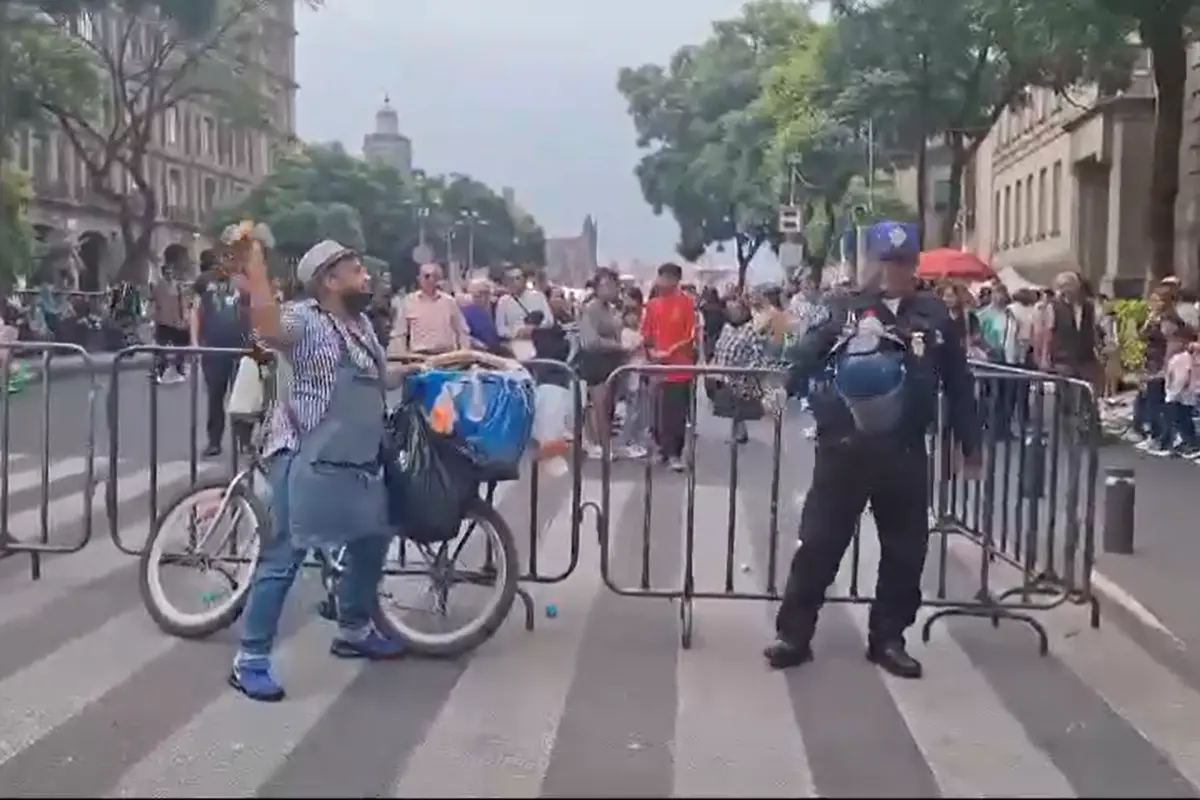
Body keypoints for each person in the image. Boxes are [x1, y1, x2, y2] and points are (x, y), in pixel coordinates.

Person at [764, 220, 981, 679]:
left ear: (914, 264)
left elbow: (959, 382)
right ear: (871, 262)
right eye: (885, 260)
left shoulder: (934, 314)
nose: (892, 271)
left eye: (901, 262)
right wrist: (783, 389)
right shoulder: (844, 308)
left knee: (905, 550)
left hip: (902, 449)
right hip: (845, 445)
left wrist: (970, 442)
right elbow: (808, 353)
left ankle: (888, 637)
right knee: (820, 542)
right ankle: (794, 634)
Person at [229, 235, 405, 702]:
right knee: (285, 552)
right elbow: (265, 328)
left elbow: (379, 376)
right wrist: (257, 268)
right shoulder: (305, 321)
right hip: (303, 455)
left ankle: (353, 627)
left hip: (355, 458)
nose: (366, 278)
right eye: (357, 270)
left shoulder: (363, 325)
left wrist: (416, 371)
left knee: (374, 536)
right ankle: (250, 659)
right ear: (329, 279)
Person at [190, 248, 251, 458]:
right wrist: (194, 342)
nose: (230, 260)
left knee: (243, 397)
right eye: (226, 256)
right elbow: (196, 311)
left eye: (234, 256)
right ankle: (214, 441)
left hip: (243, 348)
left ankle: (245, 440)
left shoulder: (247, 280)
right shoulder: (205, 281)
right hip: (213, 347)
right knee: (215, 396)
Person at [641, 263, 696, 471]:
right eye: (660, 277)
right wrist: (651, 352)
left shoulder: (686, 303)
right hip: (657, 368)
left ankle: (675, 453)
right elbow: (646, 333)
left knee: (676, 414)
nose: (662, 281)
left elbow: (690, 335)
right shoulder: (653, 305)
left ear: (675, 280)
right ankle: (661, 450)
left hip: (679, 369)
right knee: (657, 413)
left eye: (666, 277)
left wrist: (671, 351)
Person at [396, 263, 469, 355]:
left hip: (446, 356)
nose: (431, 280)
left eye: (435, 276)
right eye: (427, 276)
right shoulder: (408, 302)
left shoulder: (449, 301)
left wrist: (464, 353)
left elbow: (462, 330)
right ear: (419, 279)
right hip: (419, 357)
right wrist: (403, 356)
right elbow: (400, 333)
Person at [152, 244, 191, 384]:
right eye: (166, 271)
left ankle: (177, 368)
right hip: (165, 322)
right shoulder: (160, 286)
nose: (169, 273)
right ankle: (160, 370)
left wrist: (184, 318)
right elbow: (155, 303)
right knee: (162, 348)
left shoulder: (177, 285)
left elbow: (181, 302)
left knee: (179, 346)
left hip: (174, 322)